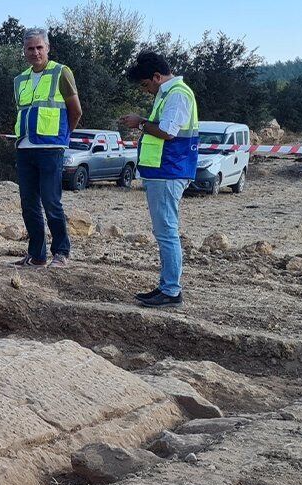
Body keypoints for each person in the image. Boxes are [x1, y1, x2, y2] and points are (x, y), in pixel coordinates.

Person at [119, 51, 199, 308]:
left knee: (166, 232)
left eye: (145, 85)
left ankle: (171, 291)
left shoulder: (177, 94)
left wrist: (141, 123)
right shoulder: (169, 94)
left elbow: (166, 132)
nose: (145, 91)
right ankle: (167, 287)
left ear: (156, 76)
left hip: (169, 171)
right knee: (164, 231)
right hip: (164, 171)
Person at [11, 28, 83, 269]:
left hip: (51, 148)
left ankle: (61, 252)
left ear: (48, 48)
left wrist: (63, 137)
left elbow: (76, 111)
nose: (35, 52)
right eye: (30, 48)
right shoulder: (20, 80)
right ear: (24, 51)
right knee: (28, 203)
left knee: (52, 201)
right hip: (25, 148)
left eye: (39, 47)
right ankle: (37, 255)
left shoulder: (61, 72)